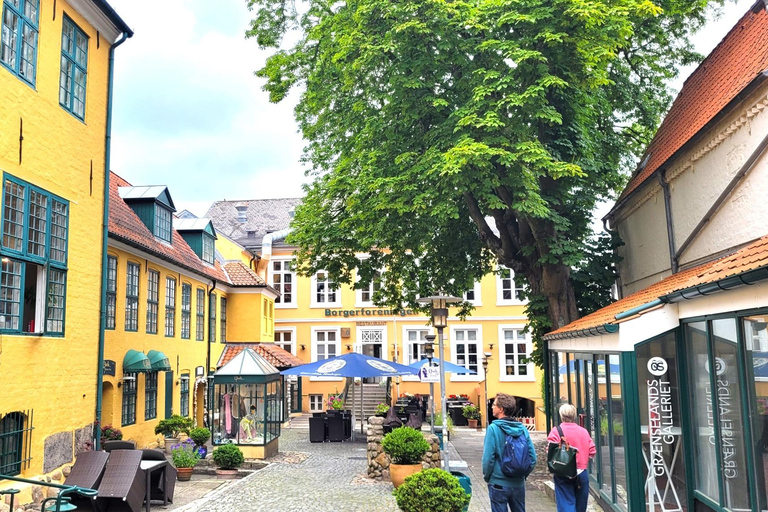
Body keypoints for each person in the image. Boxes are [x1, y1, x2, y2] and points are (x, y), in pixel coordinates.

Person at [482, 393, 537, 512]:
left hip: (498, 483)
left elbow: (488, 459)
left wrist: (488, 477)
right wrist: (522, 474)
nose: (492, 407)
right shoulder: (522, 428)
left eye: (494, 404)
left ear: (501, 409)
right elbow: (533, 458)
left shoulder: (493, 429)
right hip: (518, 484)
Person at [547, 403, 596, 512]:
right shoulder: (583, 431)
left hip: (562, 472)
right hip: (581, 473)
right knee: (581, 506)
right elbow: (592, 451)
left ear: (561, 415)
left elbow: (549, 451)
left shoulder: (556, 431)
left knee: (566, 504)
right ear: (574, 416)